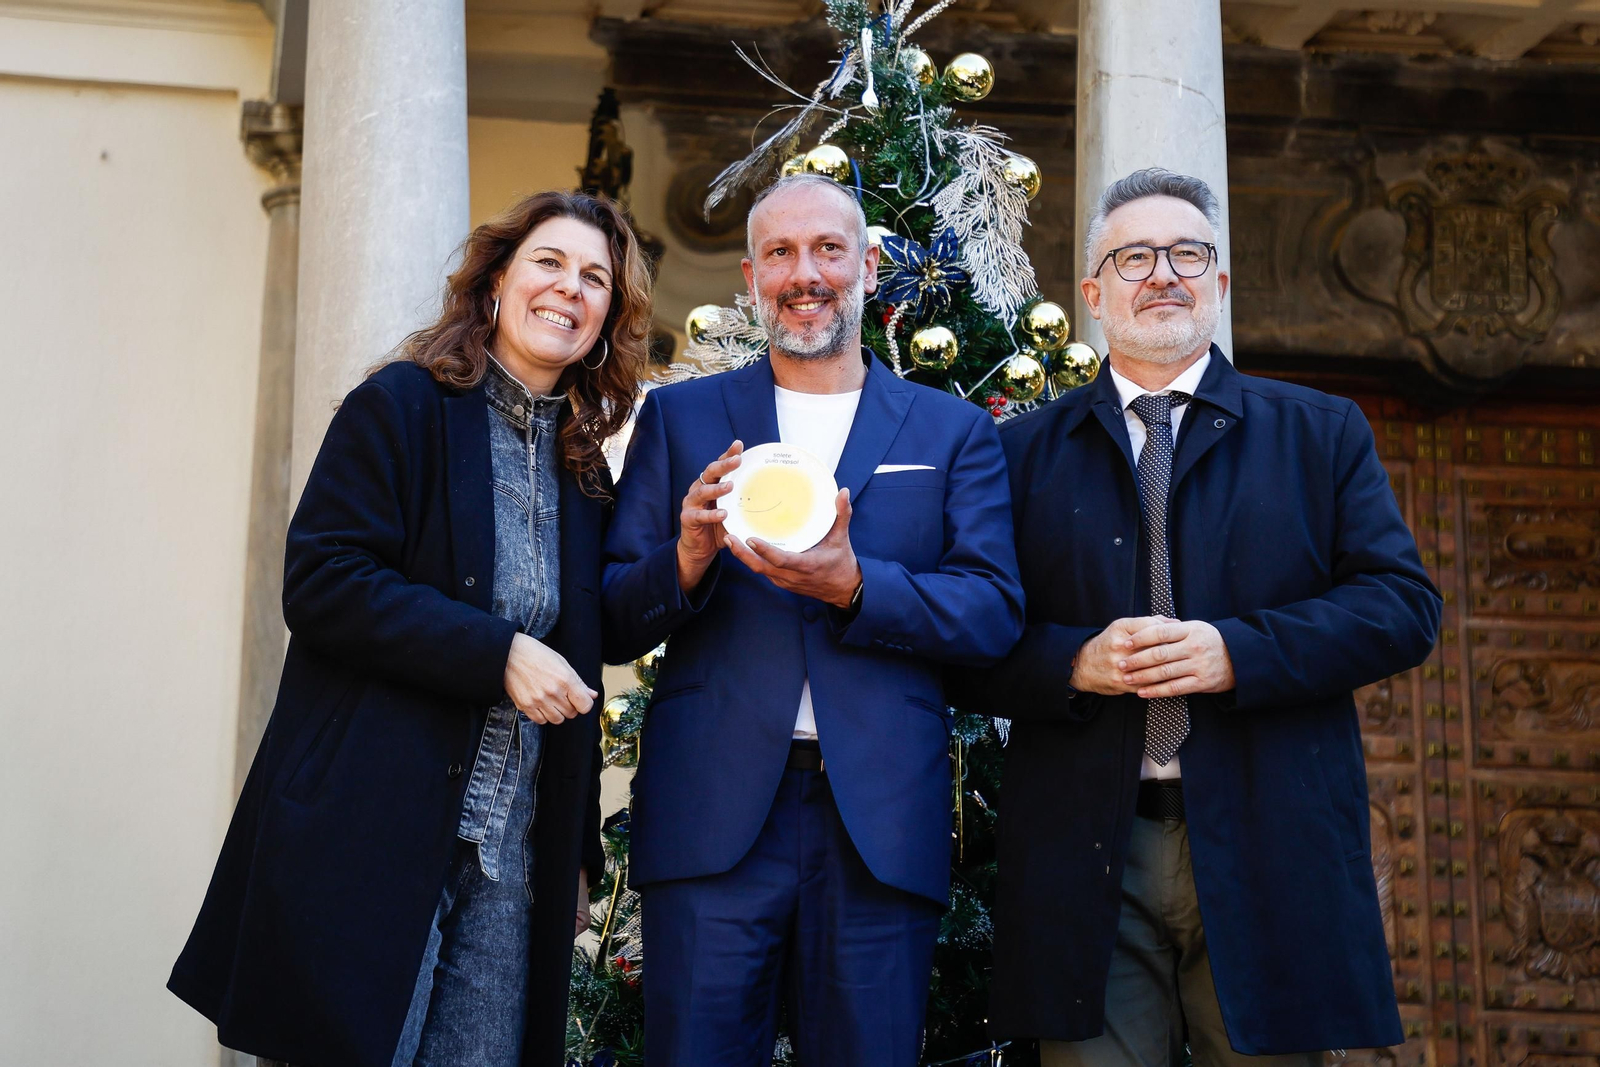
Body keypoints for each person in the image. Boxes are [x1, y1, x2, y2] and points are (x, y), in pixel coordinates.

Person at [950, 168, 1442, 1067]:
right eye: (1135, 256)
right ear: (1095, 294)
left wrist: (1235, 652)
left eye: (1188, 253)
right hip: (1086, 846)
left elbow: (1404, 608)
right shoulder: (1016, 452)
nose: (1163, 273)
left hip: (1269, 840)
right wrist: (1072, 663)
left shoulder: (1322, 430)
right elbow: (966, 639)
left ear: (1219, 281)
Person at [168, 191, 652, 1067]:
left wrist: (575, 848)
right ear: (498, 280)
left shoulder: (584, 471)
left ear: (608, 318)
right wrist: (495, 652)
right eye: (548, 263)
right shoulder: (401, 405)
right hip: (374, 824)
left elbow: (589, 648)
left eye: (595, 279)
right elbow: (322, 581)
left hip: (512, 861)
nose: (569, 290)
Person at [601, 173, 1024, 1065]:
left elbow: (992, 613)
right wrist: (684, 558)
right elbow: (608, 614)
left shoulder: (951, 433)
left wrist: (856, 586)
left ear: (868, 265)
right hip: (711, 818)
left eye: (829, 249)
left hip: (878, 821)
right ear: (752, 276)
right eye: (782, 254)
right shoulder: (679, 419)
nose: (807, 273)